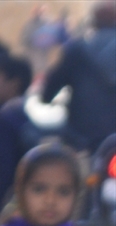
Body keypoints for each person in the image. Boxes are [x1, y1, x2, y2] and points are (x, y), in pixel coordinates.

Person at [41, 1, 116, 154]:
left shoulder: (77, 50)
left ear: (93, 22)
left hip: (82, 137)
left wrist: (47, 98)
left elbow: (53, 84)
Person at [0, 54, 37, 221]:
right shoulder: (31, 109)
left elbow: (5, 170)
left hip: (18, 199)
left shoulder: (6, 114)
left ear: (15, 83)